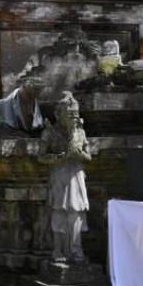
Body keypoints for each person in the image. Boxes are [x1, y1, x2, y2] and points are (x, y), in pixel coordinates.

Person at [38, 92, 91, 264]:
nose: (74, 118)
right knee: (59, 213)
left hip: (76, 175)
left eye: (76, 114)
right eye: (70, 114)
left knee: (76, 214)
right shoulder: (49, 133)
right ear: (58, 114)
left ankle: (76, 250)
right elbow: (41, 157)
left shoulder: (80, 133)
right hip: (59, 176)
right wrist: (58, 158)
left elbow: (88, 156)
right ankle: (58, 250)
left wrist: (80, 154)